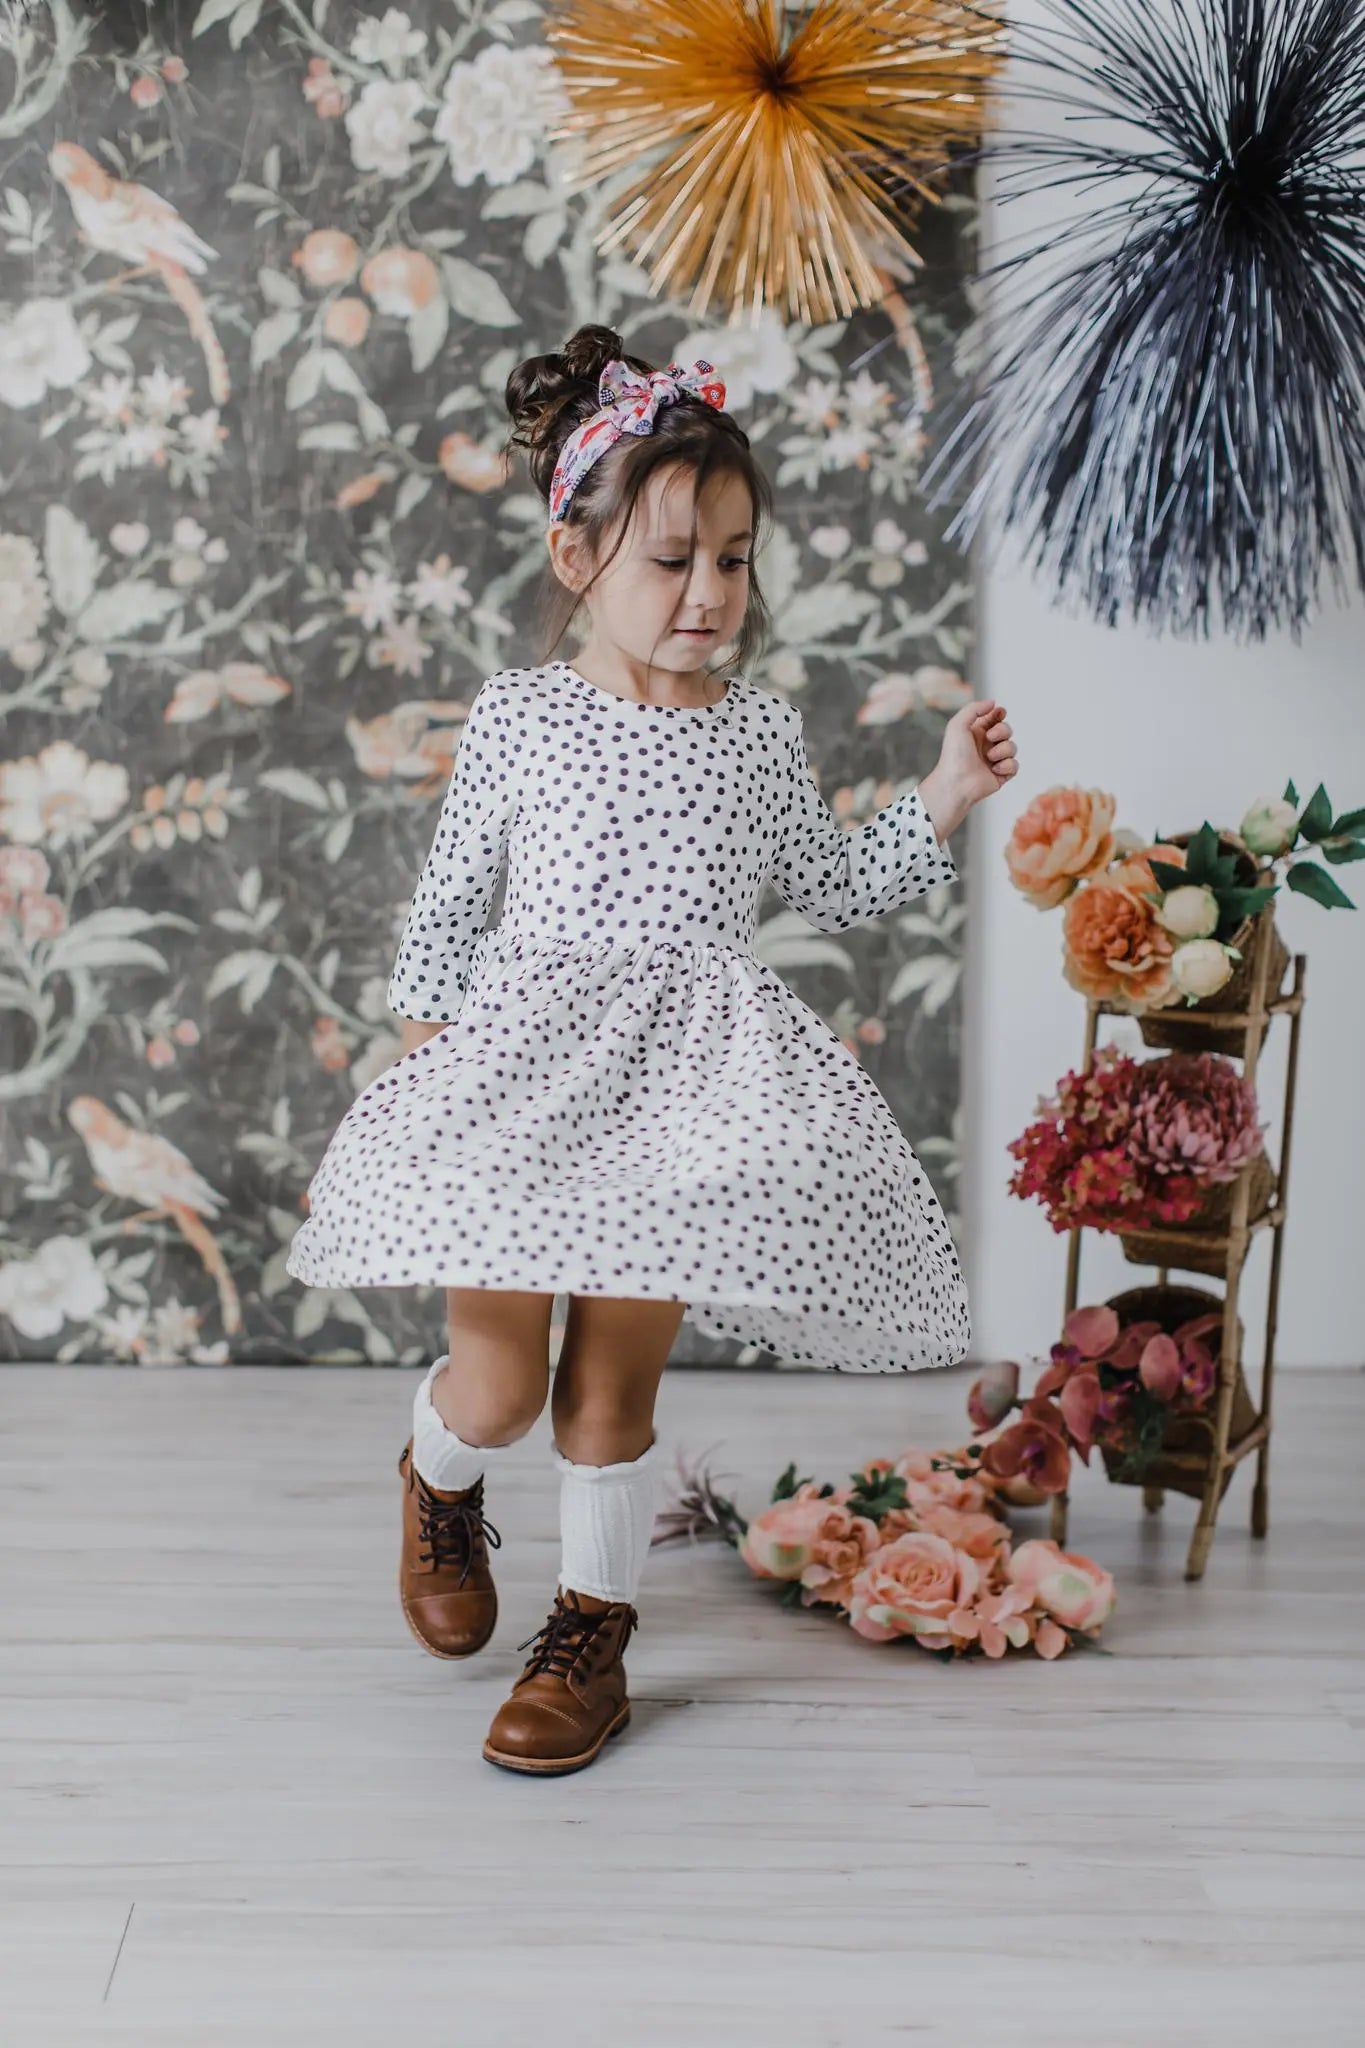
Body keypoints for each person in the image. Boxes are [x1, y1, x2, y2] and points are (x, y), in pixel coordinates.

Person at [286, 323, 1018, 1778]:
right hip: (522, 1078)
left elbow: (831, 884)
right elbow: (449, 903)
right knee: (499, 1391)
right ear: (577, 558)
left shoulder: (757, 734)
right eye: (672, 559)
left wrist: (942, 792)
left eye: (733, 560)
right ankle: (438, 1478)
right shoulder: (521, 715)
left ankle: (590, 1634)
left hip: (683, 1097)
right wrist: (434, 1071)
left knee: (605, 1398)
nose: (709, 593)